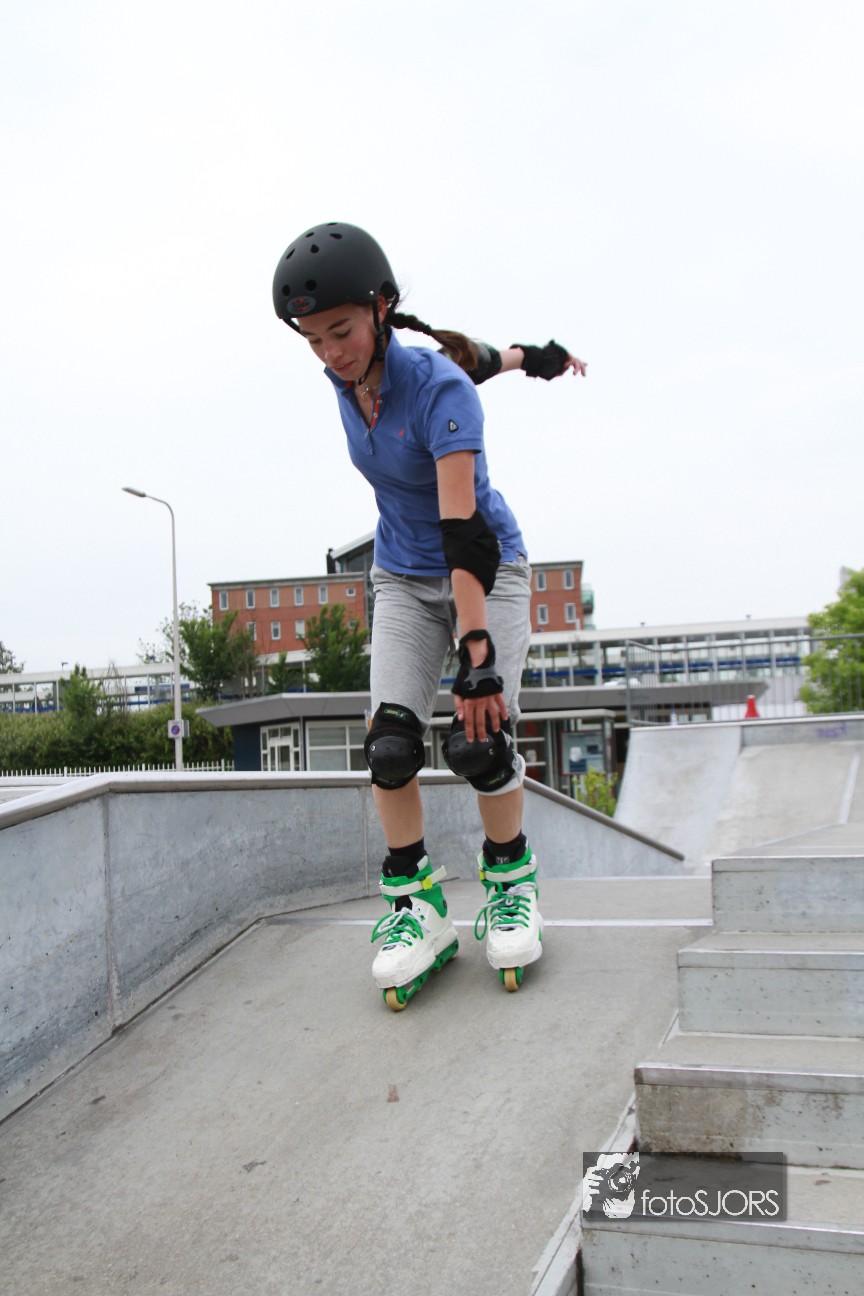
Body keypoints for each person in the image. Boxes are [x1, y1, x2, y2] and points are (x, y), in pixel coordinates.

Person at [272, 222, 586, 1010]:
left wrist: (476, 659)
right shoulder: (355, 373)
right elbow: (477, 356)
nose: (331, 354)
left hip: (487, 566)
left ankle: (511, 885)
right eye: (313, 341)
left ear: (381, 308)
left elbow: (464, 532)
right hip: (403, 578)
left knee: (481, 736)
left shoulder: (437, 390)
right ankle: (417, 907)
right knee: (389, 745)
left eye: (341, 331)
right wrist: (535, 358)